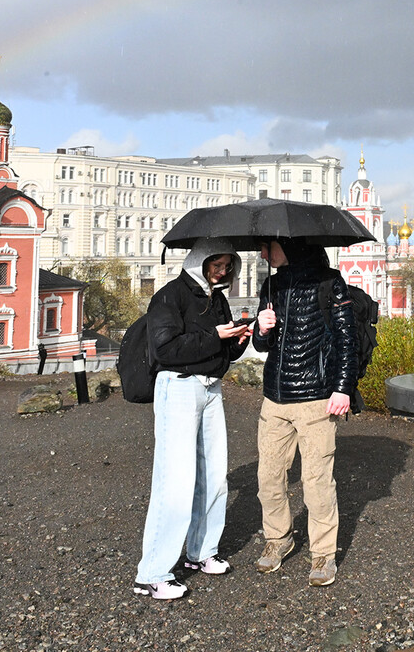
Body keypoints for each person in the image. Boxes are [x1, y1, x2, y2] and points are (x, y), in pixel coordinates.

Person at [132, 238, 251, 601]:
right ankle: (152, 573)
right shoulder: (169, 296)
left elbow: (222, 350)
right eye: (216, 264)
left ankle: (201, 552)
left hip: (211, 388)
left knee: (214, 475)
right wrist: (215, 335)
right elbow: (165, 349)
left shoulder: (217, 299)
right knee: (175, 480)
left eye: (228, 266)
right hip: (179, 386)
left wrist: (239, 338)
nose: (222, 271)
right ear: (199, 262)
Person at [251, 237, 357, 588]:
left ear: (289, 245)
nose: (263, 254)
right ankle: (278, 539)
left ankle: (323, 554)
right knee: (268, 478)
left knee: (316, 483)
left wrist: (342, 388)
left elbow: (347, 339)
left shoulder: (330, 283)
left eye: (268, 246)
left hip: (316, 399)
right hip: (275, 399)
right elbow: (262, 345)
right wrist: (261, 329)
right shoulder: (271, 285)